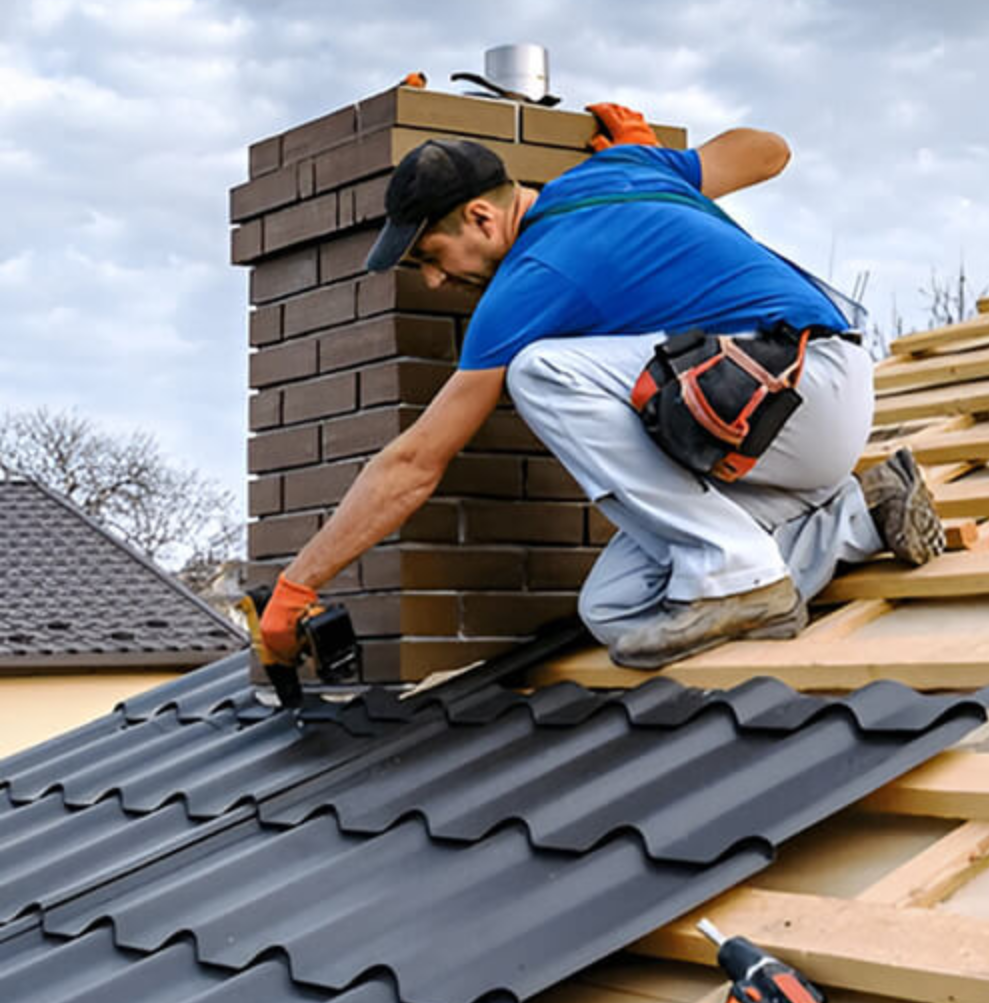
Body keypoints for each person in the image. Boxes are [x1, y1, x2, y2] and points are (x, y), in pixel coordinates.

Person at [259, 103, 943, 671]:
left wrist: (299, 585)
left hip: (796, 386)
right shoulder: (624, 167)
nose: (435, 282)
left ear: (480, 218)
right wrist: (664, 171)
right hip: (785, 425)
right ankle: (861, 516)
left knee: (542, 369)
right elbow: (770, 150)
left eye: (430, 257)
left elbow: (415, 463)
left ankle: (739, 573)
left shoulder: (532, 280)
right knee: (614, 610)